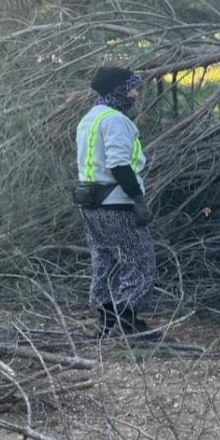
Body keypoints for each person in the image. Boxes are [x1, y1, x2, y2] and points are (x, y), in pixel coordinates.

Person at [74, 67, 155, 336]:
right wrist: (138, 199)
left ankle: (107, 321)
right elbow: (119, 164)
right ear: (118, 91)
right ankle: (127, 323)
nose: (135, 93)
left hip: (90, 202)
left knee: (104, 261)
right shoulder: (116, 121)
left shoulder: (89, 118)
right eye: (131, 88)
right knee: (139, 261)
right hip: (117, 202)